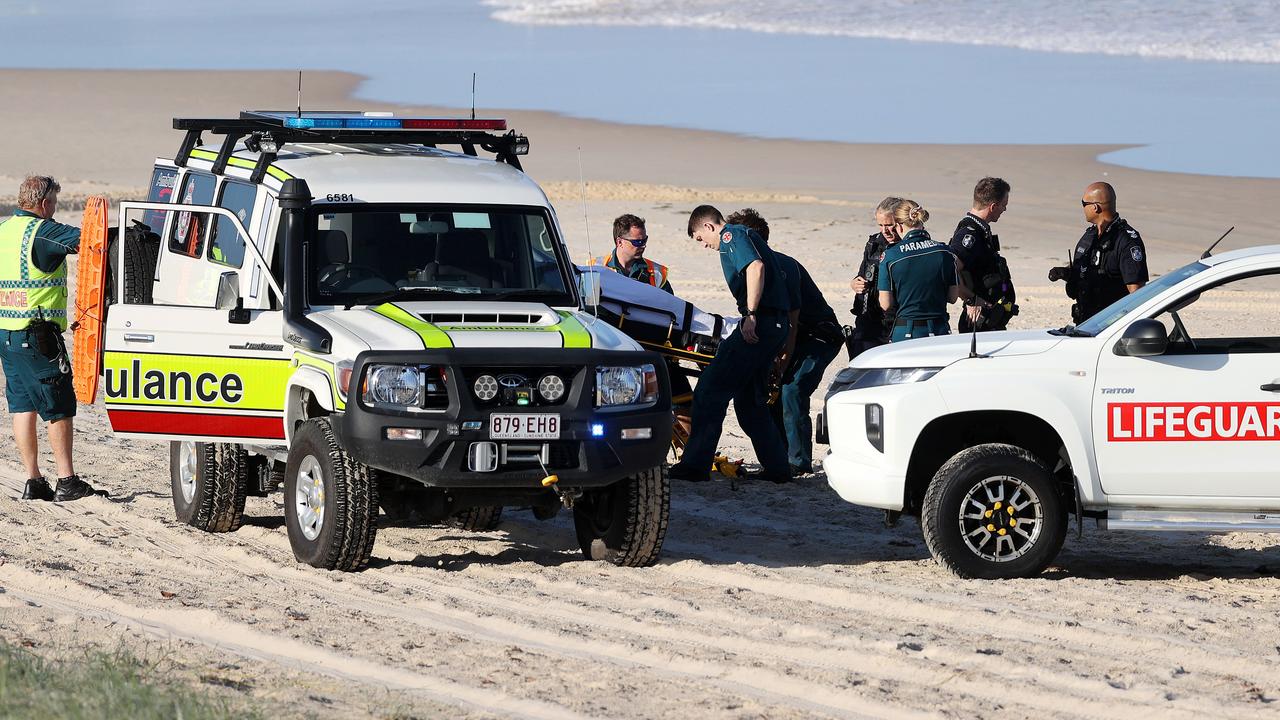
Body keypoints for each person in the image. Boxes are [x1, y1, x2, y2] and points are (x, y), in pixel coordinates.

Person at [669, 205, 792, 484]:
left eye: (701, 238)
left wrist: (750, 314)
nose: (704, 245)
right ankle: (778, 469)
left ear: (709, 227)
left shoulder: (731, 237)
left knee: (709, 391)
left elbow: (755, 267)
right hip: (775, 327)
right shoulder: (744, 235)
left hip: (759, 324)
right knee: (750, 403)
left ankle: (695, 466)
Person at [0, 176, 99, 502]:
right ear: (43, 204)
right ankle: (66, 479)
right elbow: (89, 241)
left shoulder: (4, 231)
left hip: (7, 334)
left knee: (22, 405)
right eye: (54, 204)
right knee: (58, 406)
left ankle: (34, 480)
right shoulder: (42, 231)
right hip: (38, 335)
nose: (54, 211)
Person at [728, 209, 842, 476]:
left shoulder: (781, 266)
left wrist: (782, 361)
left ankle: (798, 462)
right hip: (789, 337)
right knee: (771, 391)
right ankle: (778, 458)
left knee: (791, 389)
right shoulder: (750, 267)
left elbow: (791, 322)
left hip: (818, 337)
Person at [1048, 182, 1148, 323]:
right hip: (1085, 323)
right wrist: (1066, 274)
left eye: (1084, 203)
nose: (1082, 208)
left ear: (1095, 207)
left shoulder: (1127, 240)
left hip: (1110, 326)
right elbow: (1084, 272)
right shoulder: (1090, 236)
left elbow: (1136, 293)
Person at [878, 199, 959, 342]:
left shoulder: (890, 256)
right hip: (940, 329)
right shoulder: (945, 252)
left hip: (907, 331)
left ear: (899, 226)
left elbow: (885, 304)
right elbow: (952, 297)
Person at [949, 177, 1017, 332]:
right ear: (993, 206)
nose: (1004, 210)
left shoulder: (981, 230)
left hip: (991, 316)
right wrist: (971, 299)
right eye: (1003, 206)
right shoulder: (969, 234)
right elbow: (950, 267)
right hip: (978, 321)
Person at [848, 197, 902, 356]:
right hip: (868, 319)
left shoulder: (909, 248)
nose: (885, 231)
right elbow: (861, 274)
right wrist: (855, 283)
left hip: (896, 321)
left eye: (889, 225)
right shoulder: (874, 244)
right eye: (881, 225)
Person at [589, 214, 673, 293]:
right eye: (638, 242)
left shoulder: (656, 273)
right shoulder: (595, 268)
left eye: (645, 240)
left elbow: (670, 305)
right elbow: (587, 301)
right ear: (619, 242)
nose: (643, 246)